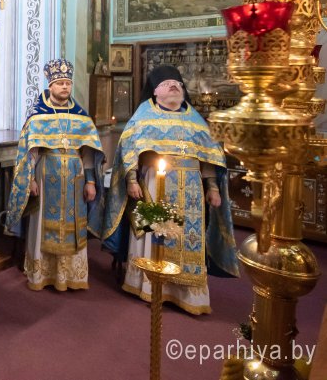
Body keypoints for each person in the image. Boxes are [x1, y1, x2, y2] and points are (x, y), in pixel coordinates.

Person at [89, 65, 239, 314]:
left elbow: (209, 157)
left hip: (191, 189)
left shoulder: (195, 120)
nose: (173, 86)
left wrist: (212, 187)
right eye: (167, 84)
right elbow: (129, 150)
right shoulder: (144, 116)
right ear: (155, 91)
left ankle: (187, 294)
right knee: (153, 233)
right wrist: (132, 181)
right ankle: (149, 285)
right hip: (152, 185)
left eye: (177, 84)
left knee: (187, 237)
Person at [5, 58, 104, 291]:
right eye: (60, 83)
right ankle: (43, 274)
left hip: (75, 181)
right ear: (50, 86)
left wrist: (90, 181)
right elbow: (29, 151)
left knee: (73, 227)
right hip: (45, 175)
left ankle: (70, 276)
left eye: (68, 83)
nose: (65, 87)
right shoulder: (38, 116)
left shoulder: (81, 116)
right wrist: (30, 179)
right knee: (42, 224)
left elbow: (88, 152)